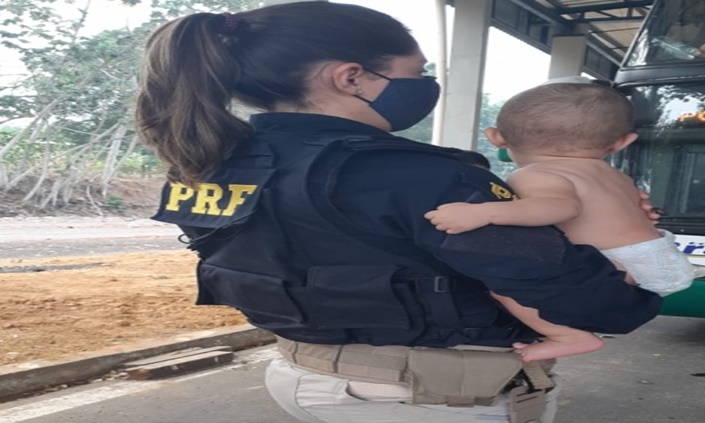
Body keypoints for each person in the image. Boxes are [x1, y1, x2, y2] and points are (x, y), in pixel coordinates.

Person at [135, 2, 662, 423]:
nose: (426, 83)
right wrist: (624, 249)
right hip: (426, 397)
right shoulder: (415, 173)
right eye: (418, 72)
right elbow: (569, 293)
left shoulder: (209, 163)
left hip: (305, 376)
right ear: (351, 78)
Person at [425, 83, 694, 363]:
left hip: (622, 262)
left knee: (506, 287)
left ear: (495, 137)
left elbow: (561, 207)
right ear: (621, 143)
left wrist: (483, 213)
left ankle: (568, 336)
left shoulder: (536, 174)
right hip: (654, 253)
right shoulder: (613, 174)